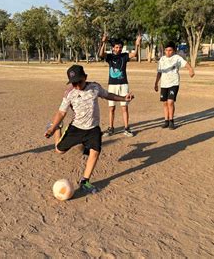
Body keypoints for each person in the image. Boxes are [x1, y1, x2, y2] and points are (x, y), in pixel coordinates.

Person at [45, 65, 134, 194]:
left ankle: (85, 181)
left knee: (95, 152)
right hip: (76, 128)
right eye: (74, 83)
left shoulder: (95, 87)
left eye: (79, 82)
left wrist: (123, 98)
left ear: (85, 77)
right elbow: (61, 112)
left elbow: (108, 95)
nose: (77, 86)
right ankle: (59, 129)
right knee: (59, 150)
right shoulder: (69, 92)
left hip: (93, 128)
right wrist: (53, 128)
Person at [98, 33, 141, 137]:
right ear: (113, 48)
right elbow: (100, 54)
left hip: (123, 84)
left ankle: (126, 128)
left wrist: (137, 44)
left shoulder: (124, 56)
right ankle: (111, 128)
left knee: (124, 108)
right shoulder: (109, 57)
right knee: (111, 108)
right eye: (116, 47)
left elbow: (134, 54)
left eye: (120, 47)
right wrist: (103, 42)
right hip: (112, 85)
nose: (119, 49)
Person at [154, 41, 195, 129]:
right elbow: (159, 72)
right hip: (164, 84)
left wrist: (190, 70)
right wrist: (156, 83)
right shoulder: (162, 59)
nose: (168, 52)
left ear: (174, 51)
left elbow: (186, 64)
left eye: (170, 50)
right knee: (165, 103)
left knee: (170, 102)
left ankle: (171, 121)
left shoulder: (177, 58)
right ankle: (166, 121)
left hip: (174, 83)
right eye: (166, 50)